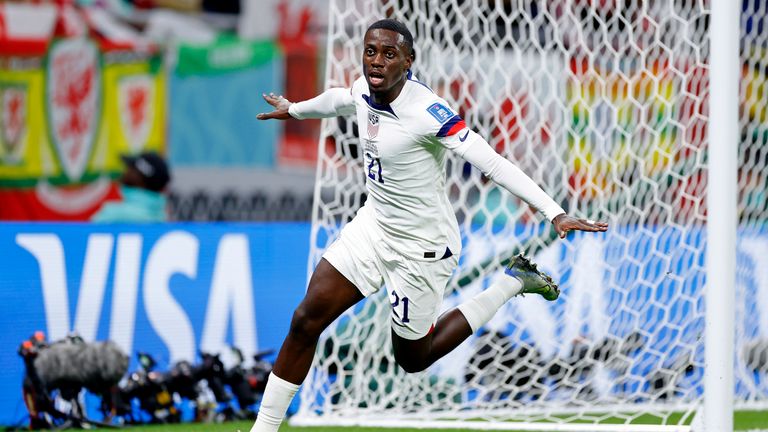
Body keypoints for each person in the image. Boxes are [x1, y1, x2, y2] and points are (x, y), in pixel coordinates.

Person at [250, 19, 608, 432]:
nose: (376, 61)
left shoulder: (427, 112)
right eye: (371, 51)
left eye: (388, 54)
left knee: (413, 359)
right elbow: (339, 99)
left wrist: (553, 211)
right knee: (305, 319)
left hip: (422, 247)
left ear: (408, 61)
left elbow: (491, 162)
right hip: (372, 229)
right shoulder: (364, 88)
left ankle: (514, 282)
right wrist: (293, 109)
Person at [91, 151, 171, 223]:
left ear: (139, 178)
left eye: (130, 168)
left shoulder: (112, 214)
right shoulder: (163, 217)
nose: (125, 171)